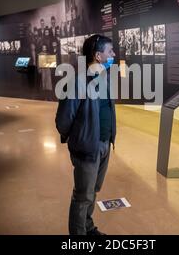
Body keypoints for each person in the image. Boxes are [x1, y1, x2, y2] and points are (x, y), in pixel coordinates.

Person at [55, 34, 117, 235]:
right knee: (83, 196)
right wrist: (78, 139)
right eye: (110, 51)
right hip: (87, 148)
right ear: (98, 56)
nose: (113, 55)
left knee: (93, 192)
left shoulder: (103, 77)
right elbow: (63, 119)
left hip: (104, 145)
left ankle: (88, 228)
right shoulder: (78, 81)